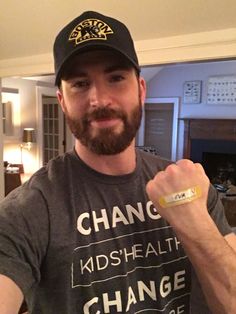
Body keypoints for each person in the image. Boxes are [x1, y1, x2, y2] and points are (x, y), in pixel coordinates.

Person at [0, 10, 236, 314]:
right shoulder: (28, 209)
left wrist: (195, 218)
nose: (100, 98)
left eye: (115, 78)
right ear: (62, 100)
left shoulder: (191, 186)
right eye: (81, 83)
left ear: (140, 89)